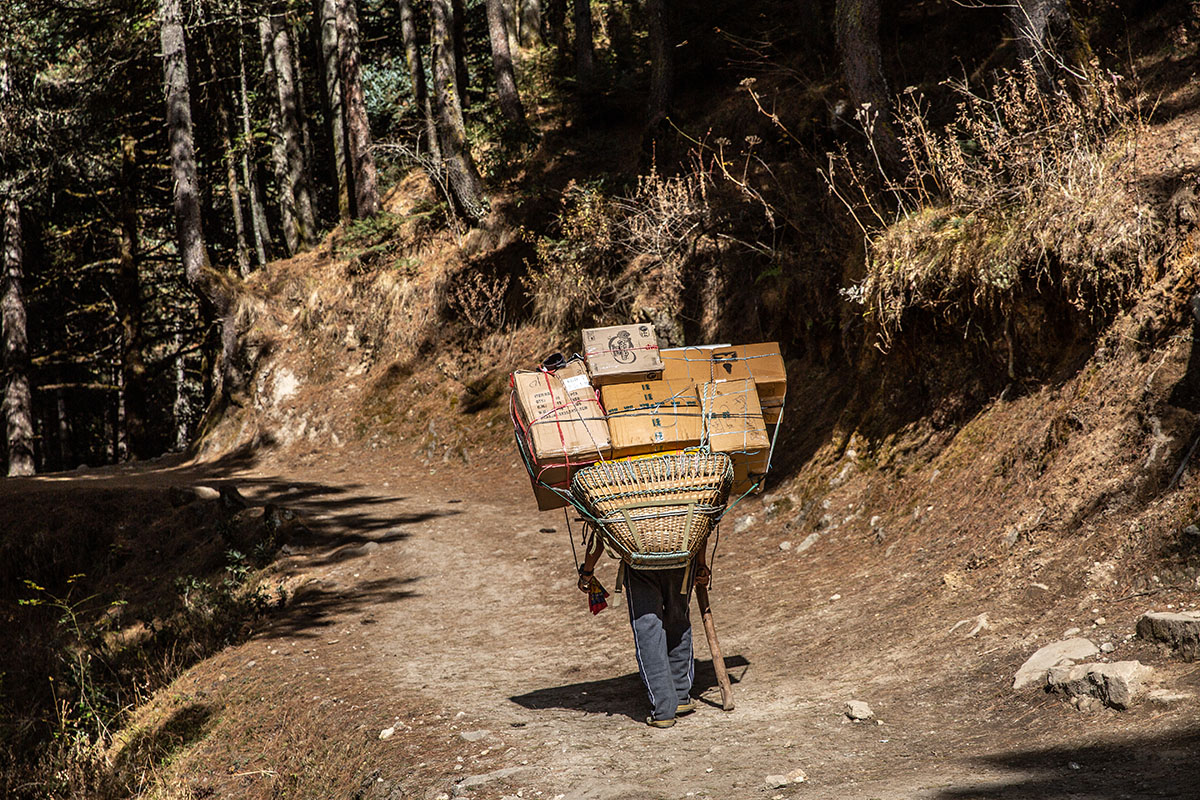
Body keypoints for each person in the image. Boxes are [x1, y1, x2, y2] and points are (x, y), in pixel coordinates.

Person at [577, 536, 710, 728]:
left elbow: (599, 532)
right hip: (682, 558)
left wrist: (587, 572)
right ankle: (681, 696)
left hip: (640, 563)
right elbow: (702, 519)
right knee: (678, 619)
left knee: (648, 628)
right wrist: (701, 563)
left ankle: (664, 709)